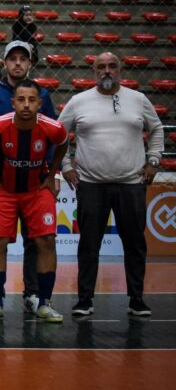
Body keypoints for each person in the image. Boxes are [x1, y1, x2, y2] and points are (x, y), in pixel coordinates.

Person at [59, 52, 163, 317]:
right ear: (94, 71)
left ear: (120, 69)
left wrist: (153, 160)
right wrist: (66, 166)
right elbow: (58, 135)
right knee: (89, 245)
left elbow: (157, 129)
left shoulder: (138, 100)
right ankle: (84, 300)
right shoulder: (78, 101)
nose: (106, 71)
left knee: (135, 244)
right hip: (92, 185)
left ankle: (136, 299)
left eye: (112, 66)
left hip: (131, 184)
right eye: (101, 67)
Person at [0, 40, 57, 315]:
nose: (18, 63)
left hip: (36, 183)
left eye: (23, 58)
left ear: (30, 63)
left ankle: (37, 298)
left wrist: (53, 173)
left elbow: (57, 138)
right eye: (13, 58)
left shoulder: (43, 95)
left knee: (41, 241)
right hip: (3, 184)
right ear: (5, 62)